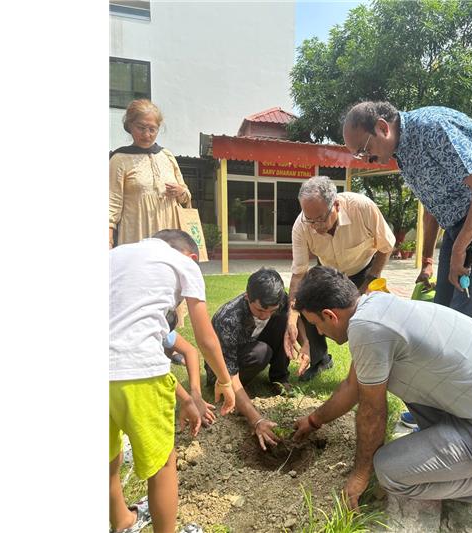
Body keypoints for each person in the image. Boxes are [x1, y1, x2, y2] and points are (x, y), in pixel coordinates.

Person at [292, 266, 472, 533]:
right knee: (408, 392)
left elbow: (372, 411)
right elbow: (352, 386)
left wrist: (361, 474)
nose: (320, 333)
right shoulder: (374, 305)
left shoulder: (366, 329)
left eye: (316, 325)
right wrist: (313, 421)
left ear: (329, 315)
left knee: (390, 473)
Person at [343, 100, 472, 430]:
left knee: (461, 324)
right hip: (458, 225)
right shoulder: (402, 152)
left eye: (365, 149)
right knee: (437, 323)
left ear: (382, 127)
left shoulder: (433, 129)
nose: (367, 160)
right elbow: (432, 205)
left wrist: (460, 248)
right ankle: (439, 410)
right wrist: (429, 260)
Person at [109, 229, 236, 533]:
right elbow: (204, 337)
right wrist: (224, 380)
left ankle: (122, 520)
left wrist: (190, 395)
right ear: (192, 256)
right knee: (164, 465)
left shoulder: (114, 256)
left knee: (108, 455)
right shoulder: (183, 263)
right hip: (138, 373)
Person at [283, 176, 396, 381]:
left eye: (320, 219)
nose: (315, 226)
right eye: (310, 220)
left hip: (364, 268)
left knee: (364, 319)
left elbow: (386, 245)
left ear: (335, 205)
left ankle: (369, 367)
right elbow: (299, 272)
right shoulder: (301, 226)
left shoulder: (362, 207)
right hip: (329, 271)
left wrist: (370, 281)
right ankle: (320, 360)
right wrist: (292, 316)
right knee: (308, 301)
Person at [207, 268, 308, 395]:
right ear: (247, 297)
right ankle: (238, 387)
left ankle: (279, 379)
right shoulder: (229, 320)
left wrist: (305, 344)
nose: (265, 316)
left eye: (271, 311)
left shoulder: (279, 300)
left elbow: (293, 317)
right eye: (259, 310)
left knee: (284, 319)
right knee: (261, 352)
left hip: (251, 342)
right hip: (221, 369)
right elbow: (227, 365)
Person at [109, 98, 193, 249]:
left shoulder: (167, 156)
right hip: (137, 234)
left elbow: (186, 195)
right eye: (141, 128)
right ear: (129, 126)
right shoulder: (119, 159)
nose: (147, 134)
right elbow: (111, 203)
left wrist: (181, 192)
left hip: (170, 237)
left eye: (152, 129)